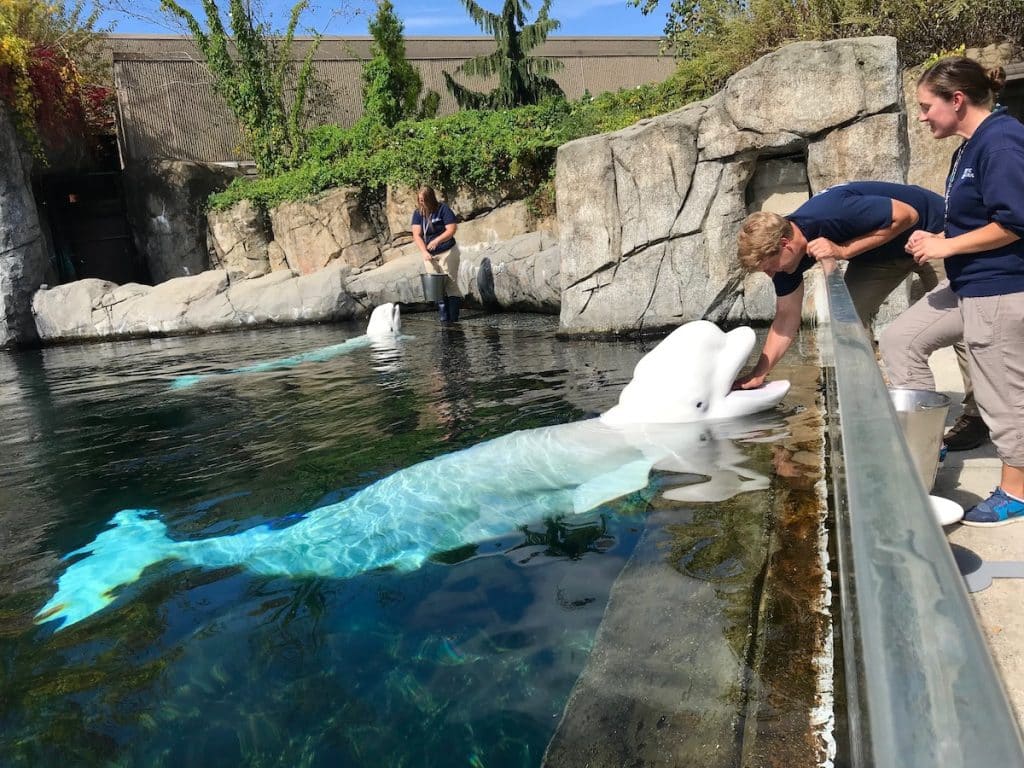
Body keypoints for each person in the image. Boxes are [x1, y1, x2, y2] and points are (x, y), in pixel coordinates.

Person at [879, 57, 1024, 526]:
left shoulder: (1001, 143)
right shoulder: (969, 146)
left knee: (1001, 393)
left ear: (956, 100)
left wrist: (946, 244)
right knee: (902, 338)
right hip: (967, 285)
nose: (922, 116)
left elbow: (1015, 222)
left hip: (999, 288)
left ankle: (1016, 491)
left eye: (926, 106)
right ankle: (927, 448)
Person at [734, 181, 948, 390]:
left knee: (962, 315)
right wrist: (758, 373)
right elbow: (786, 319)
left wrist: (843, 251)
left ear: (784, 245)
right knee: (848, 318)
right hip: (881, 255)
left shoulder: (830, 212)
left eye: (770, 267)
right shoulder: (785, 263)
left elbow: (907, 215)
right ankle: (870, 396)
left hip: (932, 233)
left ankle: (974, 413)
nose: (771, 274)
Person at [412, 186, 463, 322]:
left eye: (423, 200)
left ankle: (453, 320)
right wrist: (424, 251)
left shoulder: (442, 209)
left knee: (450, 283)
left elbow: (452, 229)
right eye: (419, 200)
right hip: (430, 255)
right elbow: (416, 235)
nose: (421, 203)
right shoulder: (418, 213)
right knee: (435, 287)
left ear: (430, 199)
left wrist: (437, 240)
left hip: (447, 251)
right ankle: (444, 319)